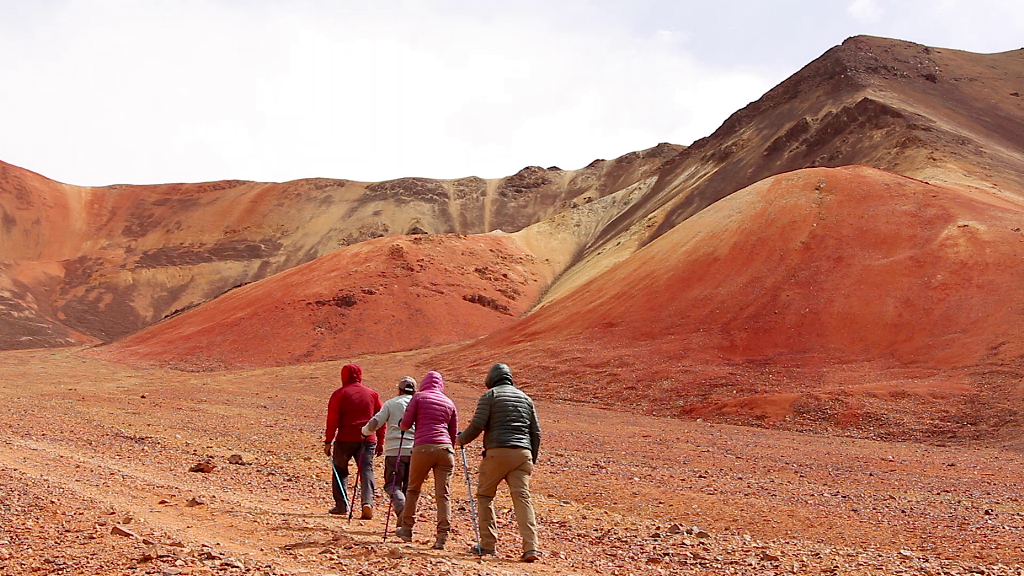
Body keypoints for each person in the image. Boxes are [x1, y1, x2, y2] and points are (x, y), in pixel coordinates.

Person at [457, 363, 542, 563]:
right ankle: (531, 548)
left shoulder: (490, 396)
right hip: (522, 453)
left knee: (485, 495)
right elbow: (536, 432)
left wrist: (461, 439)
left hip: (497, 451)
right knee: (522, 499)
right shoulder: (526, 398)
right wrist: (531, 459)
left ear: (491, 379)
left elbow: (477, 425)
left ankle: (488, 545)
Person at [395, 371, 458, 550]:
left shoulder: (419, 397)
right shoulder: (449, 402)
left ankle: (406, 529)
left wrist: (402, 425)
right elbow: (453, 432)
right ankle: (442, 537)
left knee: (413, 489)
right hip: (445, 449)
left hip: (423, 447)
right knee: (443, 494)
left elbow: (406, 424)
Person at [324, 363, 384, 519]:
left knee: (340, 470)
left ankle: (342, 504)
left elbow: (332, 420)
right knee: (366, 470)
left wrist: (328, 441)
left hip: (345, 438)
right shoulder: (372, 394)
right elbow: (380, 419)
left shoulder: (339, 394)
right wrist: (381, 441)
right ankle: (367, 503)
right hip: (367, 439)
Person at [361, 376, 417, 520]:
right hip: (415, 451)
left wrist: (365, 432)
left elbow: (375, 422)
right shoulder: (420, 404)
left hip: (395, 451)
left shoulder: (391, 404)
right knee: (409, 487)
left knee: (392, 485)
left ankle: (402, 510)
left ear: (399, 390)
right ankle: (405, 519)